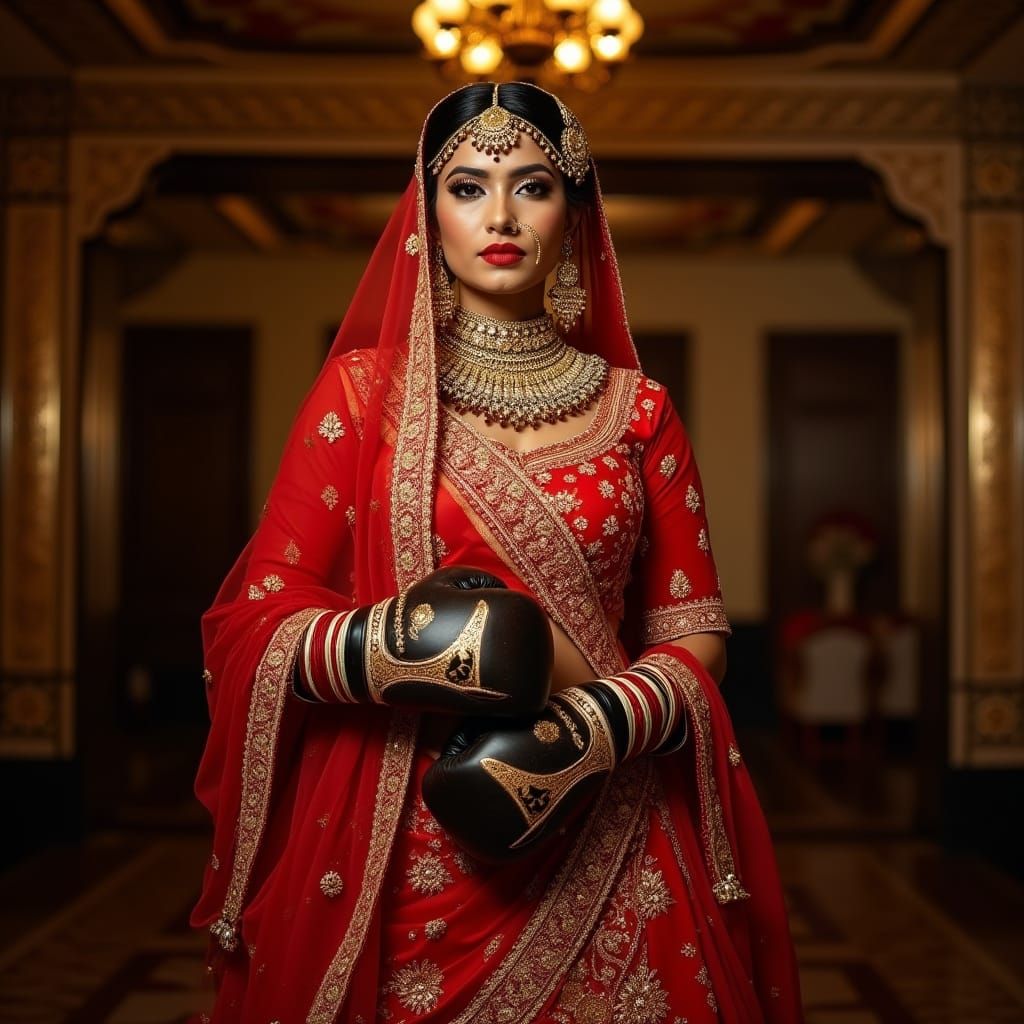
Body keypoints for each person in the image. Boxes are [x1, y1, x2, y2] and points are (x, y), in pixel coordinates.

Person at [192, 81, 803, 1023]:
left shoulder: (638, 412)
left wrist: (585, 731)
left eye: (533, 186)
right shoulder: (364, 398)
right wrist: (399, 649)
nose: (503, 215)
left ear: (576, 210)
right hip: (408, 830)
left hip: (607, 804)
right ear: (427, 214)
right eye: (469, 187)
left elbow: (696, 632)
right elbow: (257, 617)